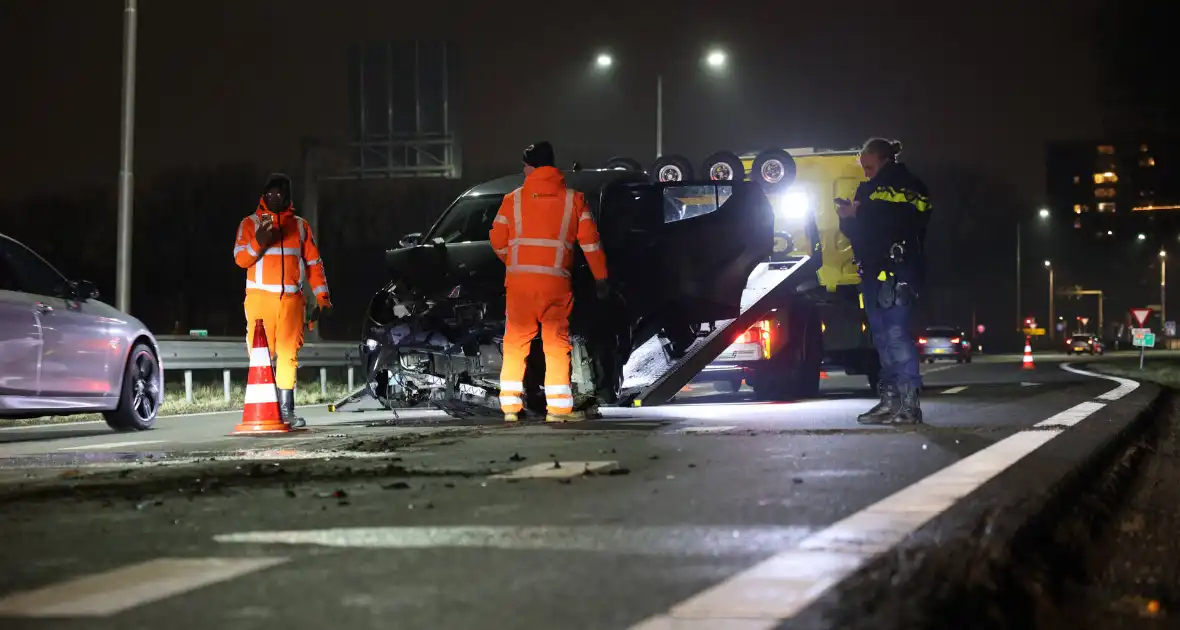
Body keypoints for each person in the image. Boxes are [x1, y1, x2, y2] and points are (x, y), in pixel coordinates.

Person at [490, 142, 610, 422]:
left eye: (524, 165)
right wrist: (601, 279)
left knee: (515, 344)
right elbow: (591, 245)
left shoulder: (512, 199)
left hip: (519, 286)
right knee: (556, 345)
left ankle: (510, 409)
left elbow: (496, 239)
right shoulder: (574, 199)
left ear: (531, 166)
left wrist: (515, 262)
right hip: (556, 285)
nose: (522, 170)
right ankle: (557, 410)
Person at [836, 138, 932, 424]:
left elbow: (908, 216)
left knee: (896, 335)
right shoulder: (866, 189)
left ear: (883, 159)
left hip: (898, 271)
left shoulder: (908, 184)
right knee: (881, 338)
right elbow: (860, 231)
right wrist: (847, 217)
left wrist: (861, 212)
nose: (865, 172)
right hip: (872, 273)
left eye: (868, 165)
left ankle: (910, 404)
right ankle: (890, 402)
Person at [233, 173, 333, 428]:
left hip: (290, 300)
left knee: (288, 354)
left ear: (288, 197)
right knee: (261, 355)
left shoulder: (300, 226)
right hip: (259, 300)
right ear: (263, 195)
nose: (274, 198)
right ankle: (265, 409)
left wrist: (322, 297)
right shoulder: (249, 224)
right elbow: (241, 259)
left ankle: (286, 411)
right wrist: (259, 242)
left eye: (279, 194)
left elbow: (313, 264)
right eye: (270, 194)